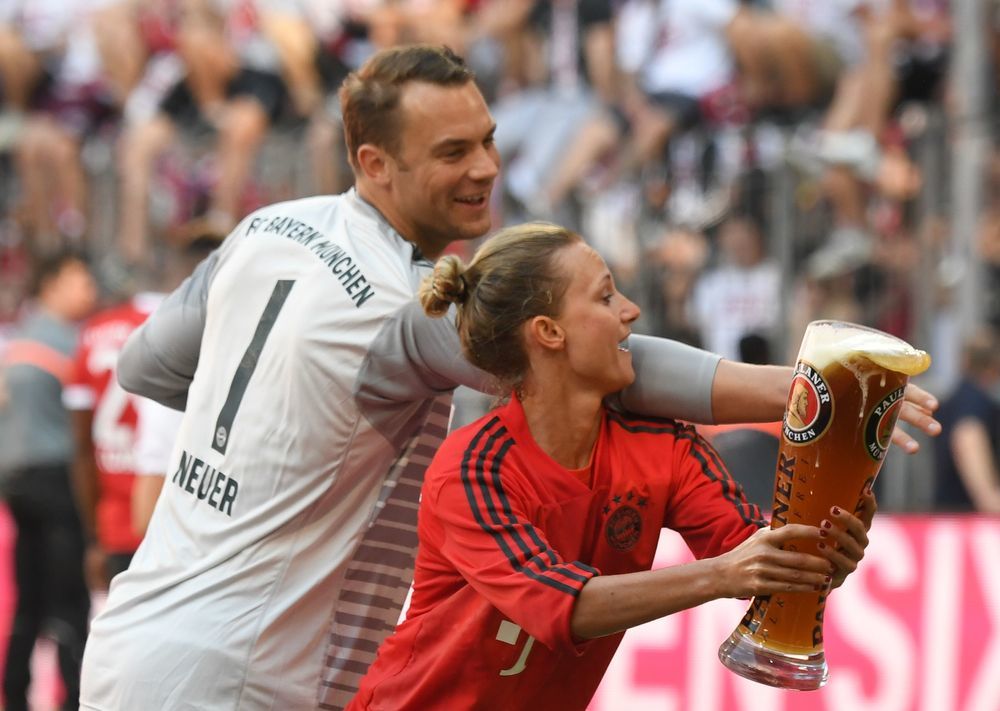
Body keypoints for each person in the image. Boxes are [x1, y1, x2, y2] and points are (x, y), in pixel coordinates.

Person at [79, 44, 939, 711]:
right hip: (248, 668)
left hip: (141, 633)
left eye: (489, 138)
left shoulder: (267, 229)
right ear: (372, 162)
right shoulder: (400, 313)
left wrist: (280, 423)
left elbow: (147, 366)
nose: (488, 168)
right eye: (453, 151)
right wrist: (806, 392)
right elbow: (592, 365)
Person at [349, 222, 873, 709]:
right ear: (548, 333)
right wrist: (722, 575)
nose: (631, 311)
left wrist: (823, 548)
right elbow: (562, 607)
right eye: (605, 297)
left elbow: (754, 556)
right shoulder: (472, 468)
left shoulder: (663, 445)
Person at [64, 237, 221, 592]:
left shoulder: (92, 332)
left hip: (117, 518)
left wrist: (93, 536)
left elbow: (80, 442)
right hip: (175, 523)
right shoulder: (190, 328)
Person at [0, 249, 98, 711]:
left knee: (28, 600)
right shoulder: (69, 342)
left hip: (17, 481)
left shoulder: (16, 338)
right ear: (53, 284)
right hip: (59, 480)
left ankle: (14, 696)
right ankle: (74, 700)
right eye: (81, 280)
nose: (90, 291)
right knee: (68, 602)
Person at [933, 330, 1000, 513]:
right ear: (995, 365)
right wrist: (989, 498)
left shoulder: (952, 401)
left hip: (946, 517)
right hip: (968, 522)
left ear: (965, 361)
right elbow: (967, 436)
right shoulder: (976, 401)